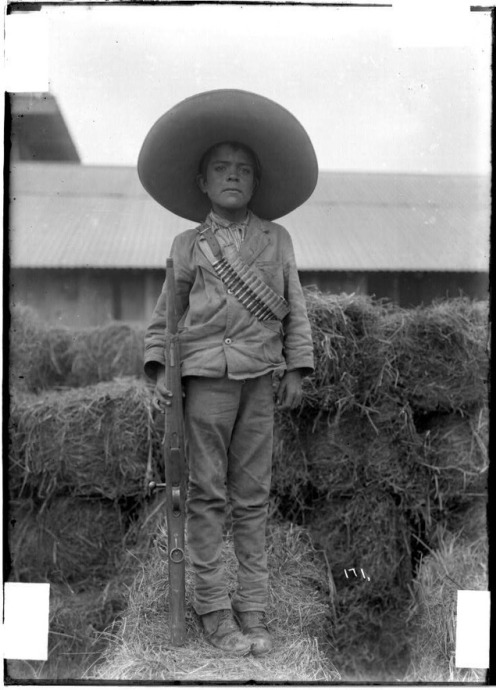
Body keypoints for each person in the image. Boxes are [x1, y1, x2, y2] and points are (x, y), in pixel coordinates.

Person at [138, 89, 317, 657]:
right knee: (207, 497)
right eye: (221, 169)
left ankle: (254, 610)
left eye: (243, 170)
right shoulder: (188, 244)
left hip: (259, 382)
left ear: (256, 182)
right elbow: (168, 312)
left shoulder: (277, 239)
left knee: (253, 496)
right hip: (207, 383)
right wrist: (160, 364)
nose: (232, 177)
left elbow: (295, 306)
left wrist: (296, 368)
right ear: (203, 182)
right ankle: (215, 614)